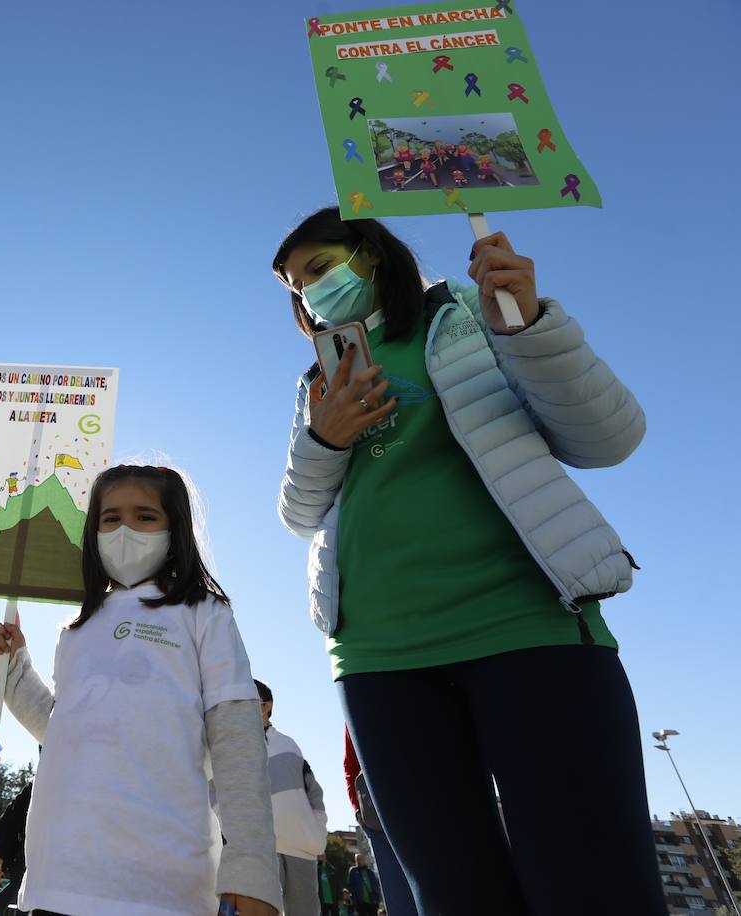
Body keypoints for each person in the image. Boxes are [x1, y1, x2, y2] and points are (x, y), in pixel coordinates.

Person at [273, 207, 664, 914]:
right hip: (379, 660)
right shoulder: (317, 380)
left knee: (592, 886)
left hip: (528, 629)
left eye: (321, 267)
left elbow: (612, 438)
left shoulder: (473, 312)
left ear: (371, 253)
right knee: (455, 896)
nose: (309, 292)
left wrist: (528, 327)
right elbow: (301, 514)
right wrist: (323, 437)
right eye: (297, 286)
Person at [0, 464, 282, 916]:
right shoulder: (77, 628)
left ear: (175, 528)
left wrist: (252, 864)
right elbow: (63, 730)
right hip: (58, 877)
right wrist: (16, 670)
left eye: (145, 516)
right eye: (110, 518)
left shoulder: (204, 613)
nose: (125, 529)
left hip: (163, 886)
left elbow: (236, 741)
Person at [255, 680, 326, 916]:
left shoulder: (288, 745)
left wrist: (317, 834)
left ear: (267, 706)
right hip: (262, 847)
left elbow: (313, 790)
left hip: (301, 846)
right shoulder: (236, 748)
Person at [341, 730, 414, 916]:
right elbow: (350, 765)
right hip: (377, 823)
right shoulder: (356, 710)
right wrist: (358, 809)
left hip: (417, 807)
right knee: (399, 898)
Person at [0, 781, 31, 914]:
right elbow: (8, 829)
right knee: (19, 888)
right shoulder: (33, 789)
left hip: (29, 854)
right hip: (26, 855)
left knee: (18, 889)